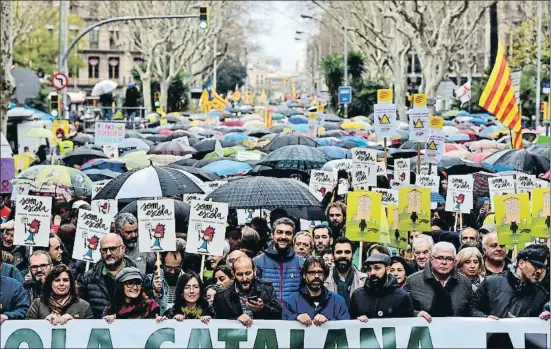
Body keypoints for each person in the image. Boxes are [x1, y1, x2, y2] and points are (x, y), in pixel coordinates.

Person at [405, 242, 473, 323]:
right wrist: (416, 314)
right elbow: (402, 310)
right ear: (431, 259)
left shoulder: (464, 283)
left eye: (449, 259)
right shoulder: (413, 281)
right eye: (440, 258)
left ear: (455, 262)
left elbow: (472, 310)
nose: (444, 262)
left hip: (456, 332)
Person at [472, 248, 550, 319]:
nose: (539, 271)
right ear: (521, 263)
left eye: (542, 268)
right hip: (492, 334)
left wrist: (544, 317)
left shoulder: (541, 294)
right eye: (536, 266)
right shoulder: (492, 283)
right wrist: (486, 318)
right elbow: (471, 309)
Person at [78, 233, 137, 318]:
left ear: (123, 249)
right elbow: (81, 309)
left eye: (113, 249)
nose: (108, 253)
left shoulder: (138, 277)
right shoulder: (88, 279)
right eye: (104, 250)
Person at [214, 256, 281, 327]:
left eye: (248, 273)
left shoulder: (266, 288)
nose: (244, 278)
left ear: (254, 271)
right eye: (239, 274)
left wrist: (262, 309)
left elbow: (278, 313)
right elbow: (217, 321)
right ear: (233, 274)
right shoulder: (222, 296)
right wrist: (236, 319)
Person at [282, 256, 349, 325]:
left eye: (320, 272)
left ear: (325, 276)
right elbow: (283, 325)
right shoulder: (291, 301)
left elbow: (346, 327)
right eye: (312, 272)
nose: (316, 276)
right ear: (304, 275)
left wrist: (328, 321)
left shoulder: (338, 302)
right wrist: (296, 317)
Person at [253, 217, 304, 303]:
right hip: (267, 314)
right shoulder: (258, 262)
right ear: (272, 235)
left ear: (293, 237)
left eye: (288, 233)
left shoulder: (301, 263)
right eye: (279, 232)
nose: (283, 237)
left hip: (292, 314)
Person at [350, 254, 414, 321]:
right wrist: (359, 321)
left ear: (388, 269)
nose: (372, 273)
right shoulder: (358, 295)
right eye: (369, 269)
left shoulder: (402, 296)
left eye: (377, 268)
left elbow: (407, 326)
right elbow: (351, 324)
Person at [26, 264, 93, 323]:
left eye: (65, 280)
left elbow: (91, 334)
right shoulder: (38, 304)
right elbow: (27, 331)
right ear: (50, 283)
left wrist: (74, 324)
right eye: (57, 280)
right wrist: (44, 323)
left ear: (71, 283)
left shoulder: (84, 306)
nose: (61, 284)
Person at [324, 237, 366, 307]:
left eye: (347, 252)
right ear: (333, 255)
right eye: (339, 252)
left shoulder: (365, 280)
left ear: (352, 255)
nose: (343, 255)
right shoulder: (324, 279)